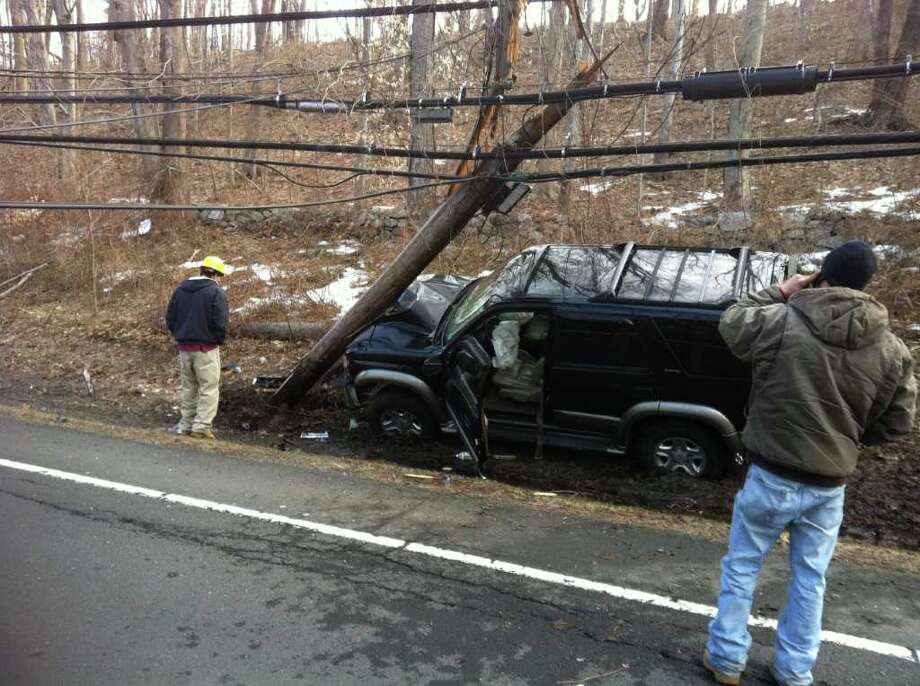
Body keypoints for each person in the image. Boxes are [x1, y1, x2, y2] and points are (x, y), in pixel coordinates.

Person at [704, 241, 916, 686]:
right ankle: (795, 670)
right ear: (866, 284)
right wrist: (849, 437)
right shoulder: (892, 349)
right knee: (810, 579)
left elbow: (732, 321)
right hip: (829, 484)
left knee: (743, 565)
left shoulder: (782, 320)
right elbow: (897, 422)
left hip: (770, 473)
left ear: (824, 277)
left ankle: (726, 660)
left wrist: (782, 291)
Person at [166, 255, 230, 440]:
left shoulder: (180, 290)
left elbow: (170, 318)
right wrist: (218, 340)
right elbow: (220, 322)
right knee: (208, 388)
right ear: (216, 275)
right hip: (206, 348)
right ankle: (201, 427)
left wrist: (180, 335)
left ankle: (186, 424)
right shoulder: (215, 292)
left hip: (184, 347)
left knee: (189, 388)